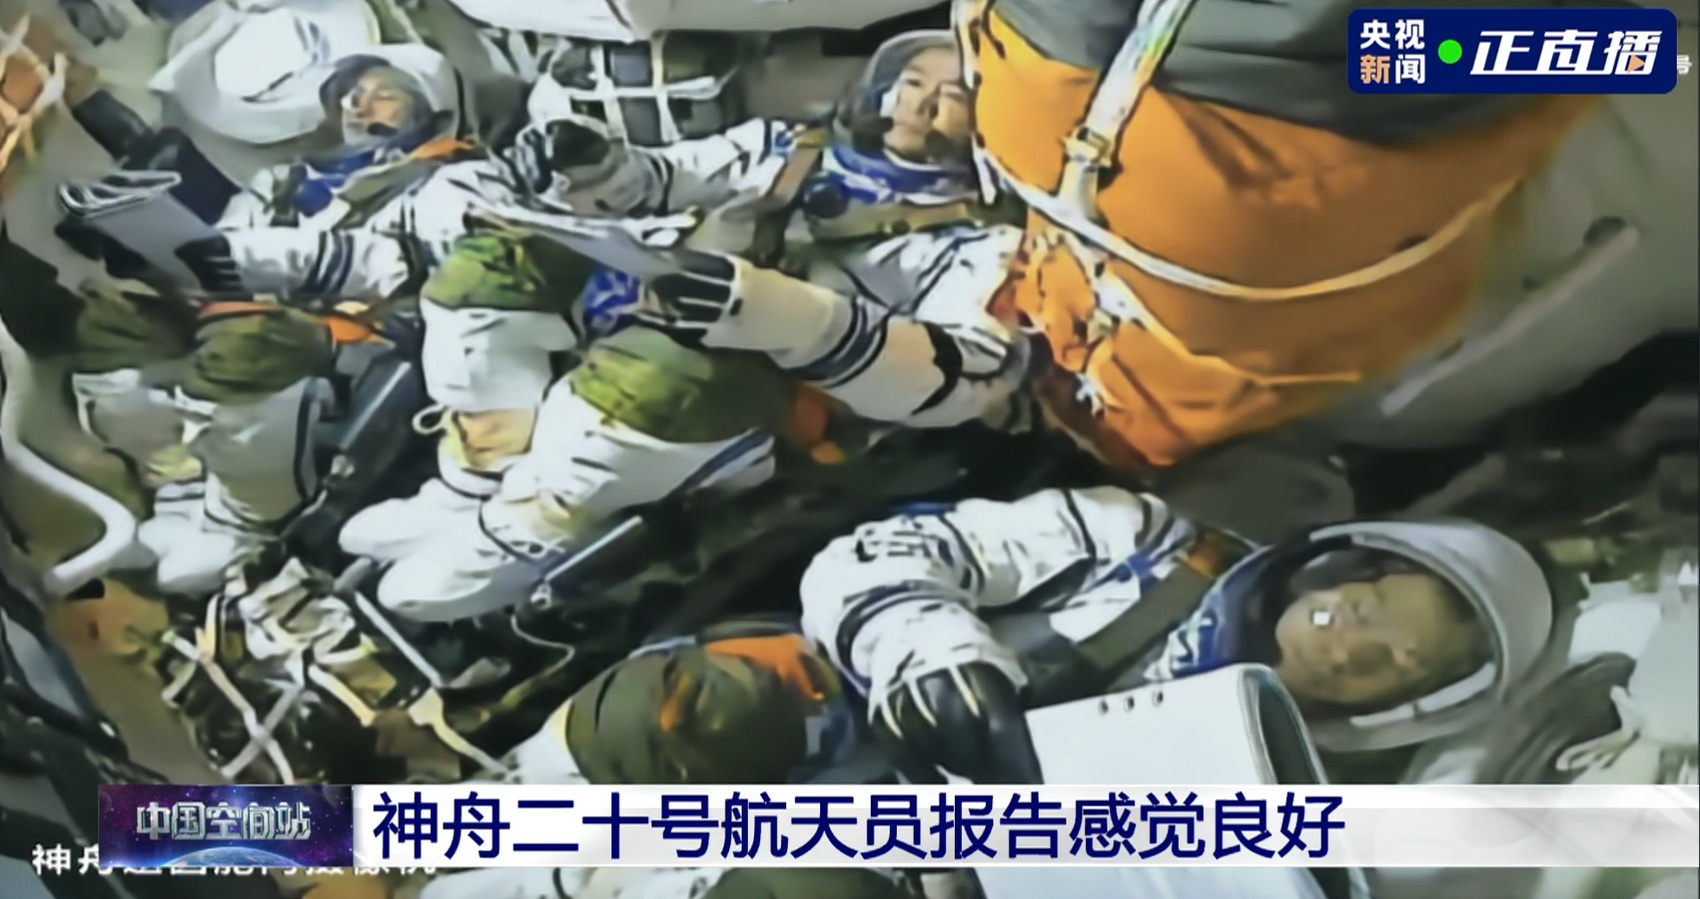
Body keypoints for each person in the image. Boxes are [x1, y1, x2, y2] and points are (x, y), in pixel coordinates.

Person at [364, 31, 1033, 623]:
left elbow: (971, 373)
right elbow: (668, 177)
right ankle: (476, 479)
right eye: (911, 82)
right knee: (497, 263)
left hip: (765, 399)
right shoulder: (789, 147)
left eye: (950, 96)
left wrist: (794, 318)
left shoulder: (978, 246)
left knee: (670, 370)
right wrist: (593, 161)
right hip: (652, 306)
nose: (918, 102)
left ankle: (533, 524)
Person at [952, 0, 1696, 482]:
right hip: (1370, 351)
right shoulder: (1379, 52)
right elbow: (1620, 48)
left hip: (1174, 307)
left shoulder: (1020, 24)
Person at [64, 43, 550, 595]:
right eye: (349, 99)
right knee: (111, 328)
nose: (358, 108)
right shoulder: (288, 182)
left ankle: (243, 524)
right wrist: (169, 257)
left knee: (248, 350)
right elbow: (232, 243)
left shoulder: (455, 182)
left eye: (382, 95)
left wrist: (237, 260)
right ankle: (178, 484)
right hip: (249, 312)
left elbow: (427, 264)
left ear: (437, 107)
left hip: (362, 343)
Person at [797, 485, 1555, 783]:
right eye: (1367, 604)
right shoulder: (1145, 545)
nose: (1352, 643)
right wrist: (930, 659)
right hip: (818, 721)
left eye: (1394, 661)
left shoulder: (1277, 803)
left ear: (1406, 708)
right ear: (1335, 565)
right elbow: (891, 553)